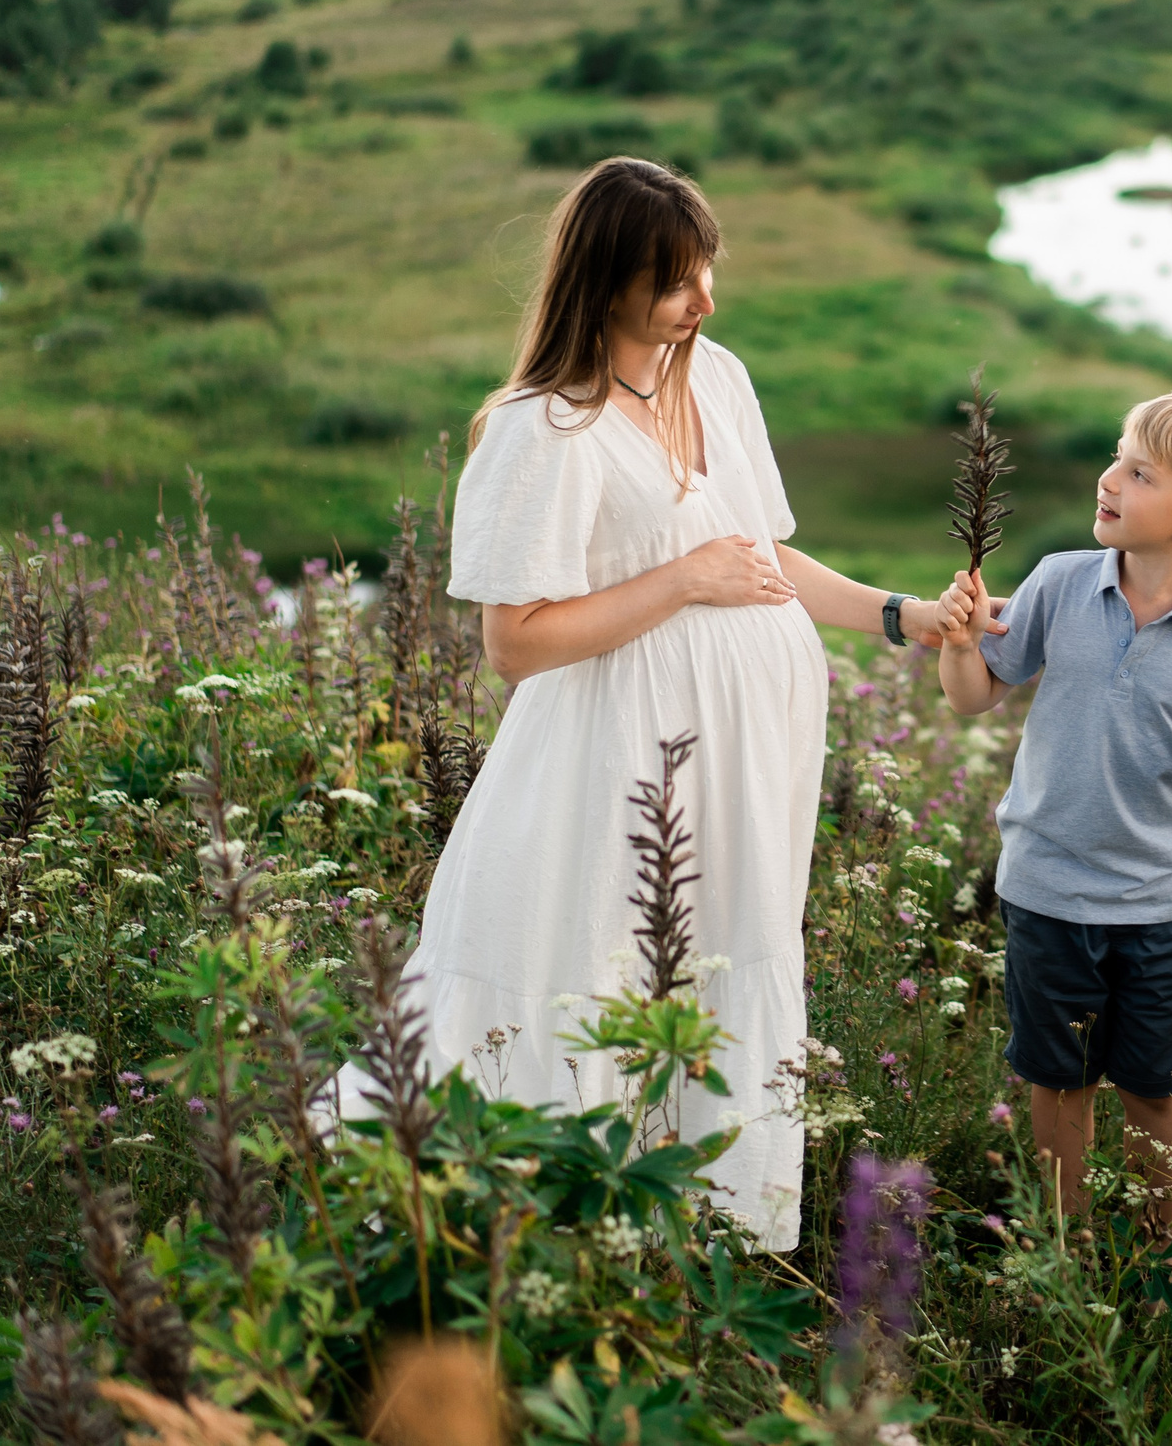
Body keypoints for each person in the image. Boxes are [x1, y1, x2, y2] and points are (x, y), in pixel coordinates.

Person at [337, 157, 974, 1250]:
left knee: (716, 955)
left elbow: (763, 555)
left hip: (744, 757)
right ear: (607, 280)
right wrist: (680, 580)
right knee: (600, 952)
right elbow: (514, 641)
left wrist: (900, 613)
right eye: (677, 282)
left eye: (707, 271)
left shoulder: (714, 375)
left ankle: (702, 1222)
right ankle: (547, 1220)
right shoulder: (543, 427)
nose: (704, 302)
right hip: (618, 750)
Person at [931, 387, 1172, 1233]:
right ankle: (1067, 1242)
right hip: (1048, 886)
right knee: (1060, 1079)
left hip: (1166, 900)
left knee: (1154, 1086)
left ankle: (1154, 1246)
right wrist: (959, 642)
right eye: (1117, 460)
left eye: (1139, 473)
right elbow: (975, 695)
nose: (1109, 479)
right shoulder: (1059, 581)